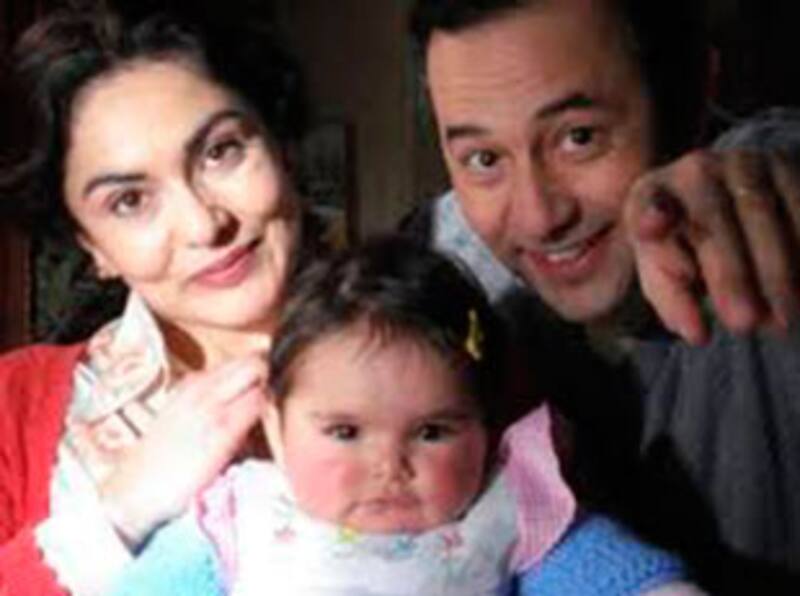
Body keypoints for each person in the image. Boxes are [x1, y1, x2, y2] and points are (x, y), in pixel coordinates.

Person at [406, 0, 800, 591]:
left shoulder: (767, 229)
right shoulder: (455, 289)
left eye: (579, 138)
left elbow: (767, 165)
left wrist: (769, 177)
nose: (539, 217)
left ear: (693, 98)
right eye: (484, 160)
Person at [109, 237, 702, 595]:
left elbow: (617, 578)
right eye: (344, 432)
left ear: (485, 429)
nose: (389, 466)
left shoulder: (508, 512)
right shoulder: (241, 518)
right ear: (276, 430)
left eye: (432, 432)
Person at [0, 6, 309, 595]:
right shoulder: (11, 408)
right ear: (93, 247)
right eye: (130, 201)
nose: (203, 225)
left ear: (281, 146)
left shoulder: (449, 351)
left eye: (220, 151)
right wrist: (121, 511)